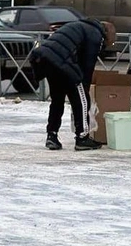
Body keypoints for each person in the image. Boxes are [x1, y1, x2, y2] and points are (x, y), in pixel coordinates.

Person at [29, 18, 116, 151]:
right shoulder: (95, 35)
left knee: (57, 100)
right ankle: (82, 138)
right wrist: (84, 87)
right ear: (107, 35)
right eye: (111, 43)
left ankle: (52, 136)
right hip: (62, 62)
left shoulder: (82, 26)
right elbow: (87, 64)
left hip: (47, 59)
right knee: (82, 101)